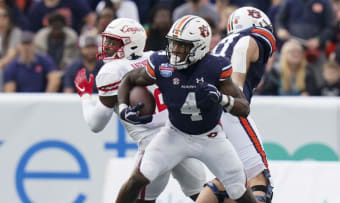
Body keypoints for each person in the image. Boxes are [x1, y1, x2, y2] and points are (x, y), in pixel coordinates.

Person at [115, 15, 257, 203]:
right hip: (174, 133)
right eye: (174, 44)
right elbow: (129, 79)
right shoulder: (161, 63)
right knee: (138, 177)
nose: (176, 50)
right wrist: (124, 108)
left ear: (199, 46)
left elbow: (244, 108)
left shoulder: (215, 67)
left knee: (238, 189)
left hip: (210, 137)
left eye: (183, 46)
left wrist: (222, 99)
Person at [73, 18, 206, 203]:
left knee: (138, 197)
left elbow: (96, 124)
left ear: (132, 45)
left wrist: (85, 96)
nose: (108, 47)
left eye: (114, 42)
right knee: (205, 195)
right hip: (181, 137)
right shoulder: (157, 57)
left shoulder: (113, 71)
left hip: (154, 146)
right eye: (108, 41)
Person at [196, 7, 275, 203]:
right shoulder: (252, 36)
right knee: (259, 180)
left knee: (232, 177)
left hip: (207, 111)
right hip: (228, 108)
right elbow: (244, 45)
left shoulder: (221, 45)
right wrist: (236, 87)